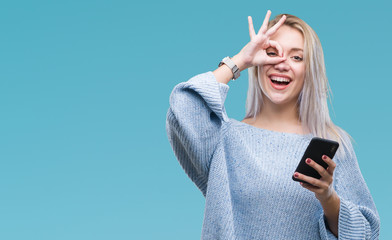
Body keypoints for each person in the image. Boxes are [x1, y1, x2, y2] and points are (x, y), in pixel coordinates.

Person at [165, 10, 380, 239]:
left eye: (297, 57)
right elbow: (183, 106)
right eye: (271, 53)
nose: (282, 64)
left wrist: (328, 197)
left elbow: (367, 234)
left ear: (310, 70)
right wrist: (239, 61)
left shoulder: (333, 144)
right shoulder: (225, 139)